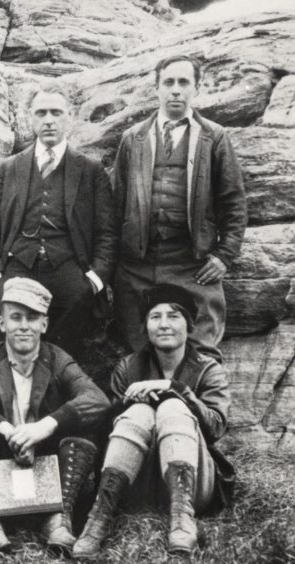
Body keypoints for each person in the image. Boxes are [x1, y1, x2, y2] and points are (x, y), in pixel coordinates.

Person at [0, 277, 110, 554]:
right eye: (16, 317)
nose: (24, 326)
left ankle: (59, 517)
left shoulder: (58, 359)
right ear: (2, 324)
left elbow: (97, 400)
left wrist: (45, 426)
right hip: (3, 462)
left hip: (47, 463)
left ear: (44, 325)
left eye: (32, 318)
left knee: (83, 424)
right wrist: (7, 430)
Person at [73, 284, 234, 558]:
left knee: (172, 406)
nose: (164, 325)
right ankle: (98, 519)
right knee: (139, 412)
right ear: (145, 326)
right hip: (135, 481)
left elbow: (216, 426)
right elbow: (104, 430)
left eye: (173, 316)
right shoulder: (128, 368)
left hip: (192, 483)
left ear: (189, 324)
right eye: (155, 317)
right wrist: (128, 403)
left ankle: (183, 520)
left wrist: (178, 390)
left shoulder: (209, 369)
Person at [112, 55, 247, 361]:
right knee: (140, 349)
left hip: (192, 263)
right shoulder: (132, 139)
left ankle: (200, 407)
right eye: (168, 83)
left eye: (183, 82)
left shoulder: (214, 137)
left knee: (202, 349)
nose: (175, 90)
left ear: (197, 88)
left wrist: (224, 256)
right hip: (138, 265)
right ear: (156, 89)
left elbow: (234, 203)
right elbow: (115, 205)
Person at [0, 85, 116, 357]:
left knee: (65, 352)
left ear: (70, 116)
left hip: (70, 270)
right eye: (41, 113)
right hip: (18, 266)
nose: (48, 120)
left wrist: (93, 280)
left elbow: (107, 233)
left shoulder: (91, 171)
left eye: (56, 112)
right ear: (30, 119)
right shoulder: (10, 169)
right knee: (14, 346)